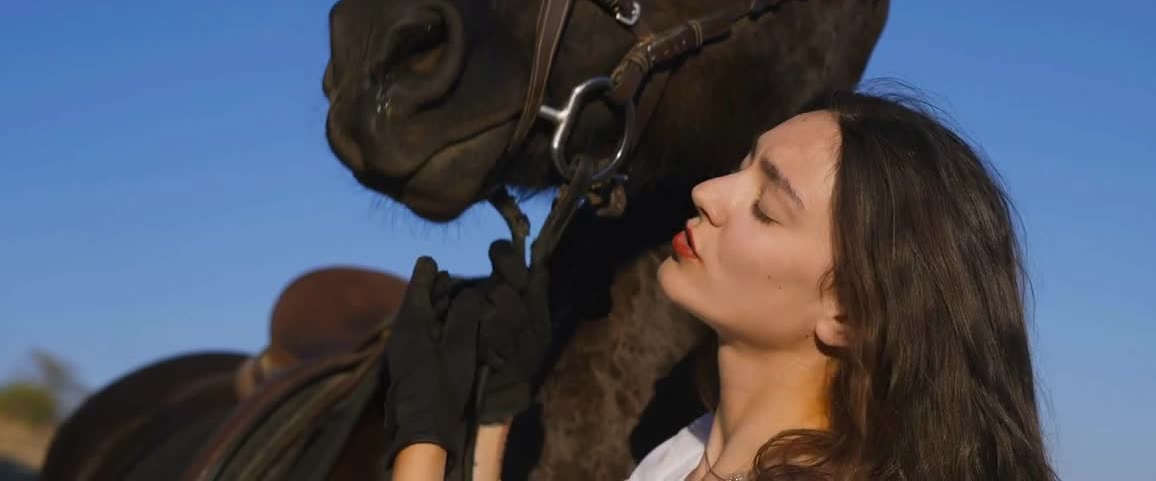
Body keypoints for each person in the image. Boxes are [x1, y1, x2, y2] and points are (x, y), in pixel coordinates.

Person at [382, 87, 1059, 481]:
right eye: (742, 166)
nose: (708, 193)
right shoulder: (682, 458)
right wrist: (496, 412)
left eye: (768, 207)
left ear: (848, 314)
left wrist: (422, 442)